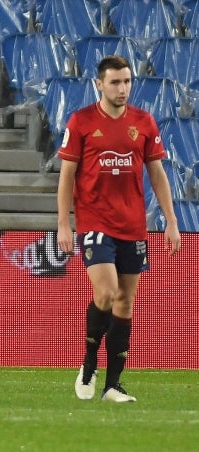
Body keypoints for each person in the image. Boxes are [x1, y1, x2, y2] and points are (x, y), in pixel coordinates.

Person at [57, 55, 180, 403]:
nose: (122, 88)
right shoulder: (81, 122)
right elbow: (67, 176)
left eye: (126, 82)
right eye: (115, 82)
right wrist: (65, 223)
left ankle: (113, 385)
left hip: (133, 225)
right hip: (95, 222)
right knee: (107, 293)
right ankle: (89, 363)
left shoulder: (143, 122)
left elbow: (157, 172)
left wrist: (171, 221)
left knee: (125, 303)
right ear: (100, 84)